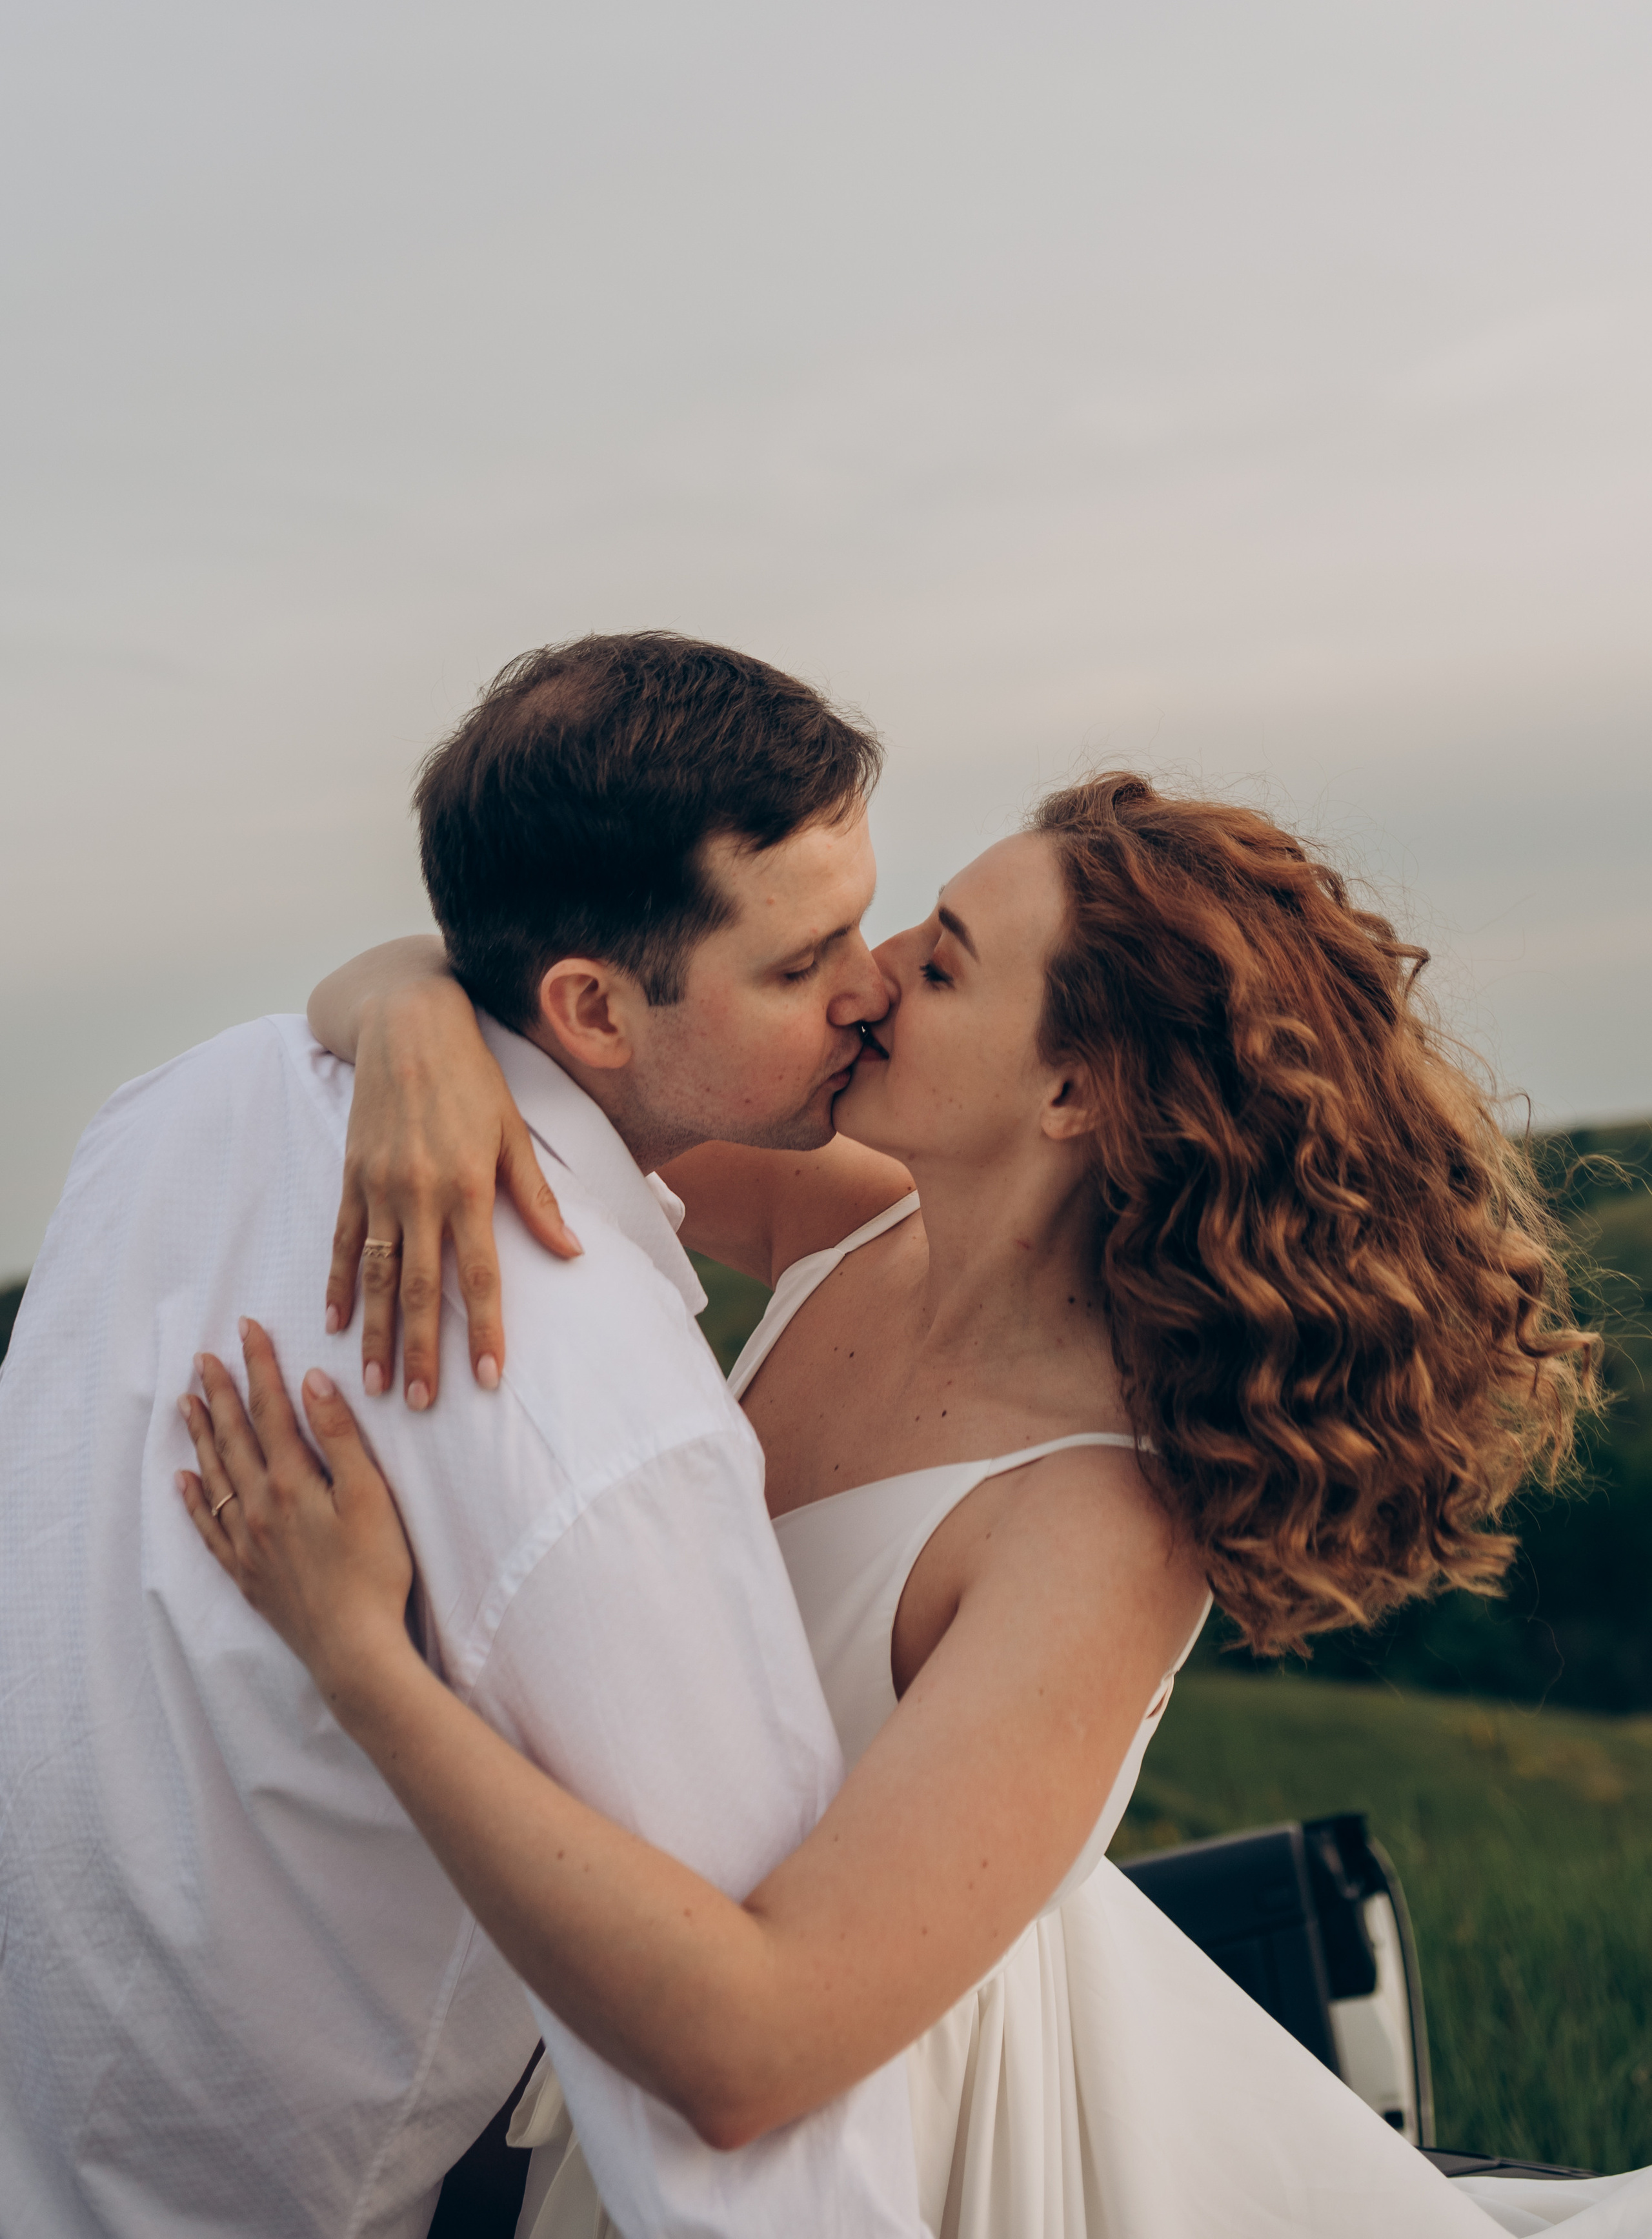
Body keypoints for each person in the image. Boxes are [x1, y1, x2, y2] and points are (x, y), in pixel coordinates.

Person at [179, 765, 1637, 2238]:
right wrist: (413, 1029)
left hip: (890, 2146)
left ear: (1074, 1091)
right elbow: (545, 1016)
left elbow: (756, 2053)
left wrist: (358, 1654)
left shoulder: (1096, 1530)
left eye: (940, 964)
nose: (869, 977)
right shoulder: (855, 1219)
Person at [0, 635, 927, 2239]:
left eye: (866, 922)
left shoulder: (176, 1105)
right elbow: (758, 2153)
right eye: (801, 964)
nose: (875, 989)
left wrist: (403, 1000)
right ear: (588, 1007)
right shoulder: (602, 1407)